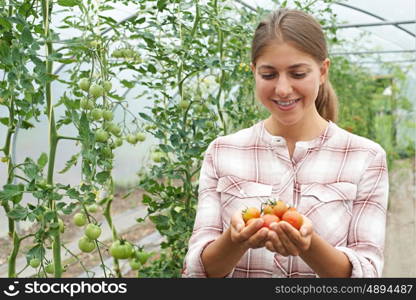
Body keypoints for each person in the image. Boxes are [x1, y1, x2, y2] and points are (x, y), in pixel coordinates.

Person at [181, 8, 388, 278]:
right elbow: (196, 272)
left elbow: (368, 275)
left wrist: (309, 245)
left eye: (298, 74)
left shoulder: (365, 157)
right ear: (254, 72)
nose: (282, 89)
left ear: (323, 71)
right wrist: (234, 240)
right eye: (268, 75)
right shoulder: (221, 152)